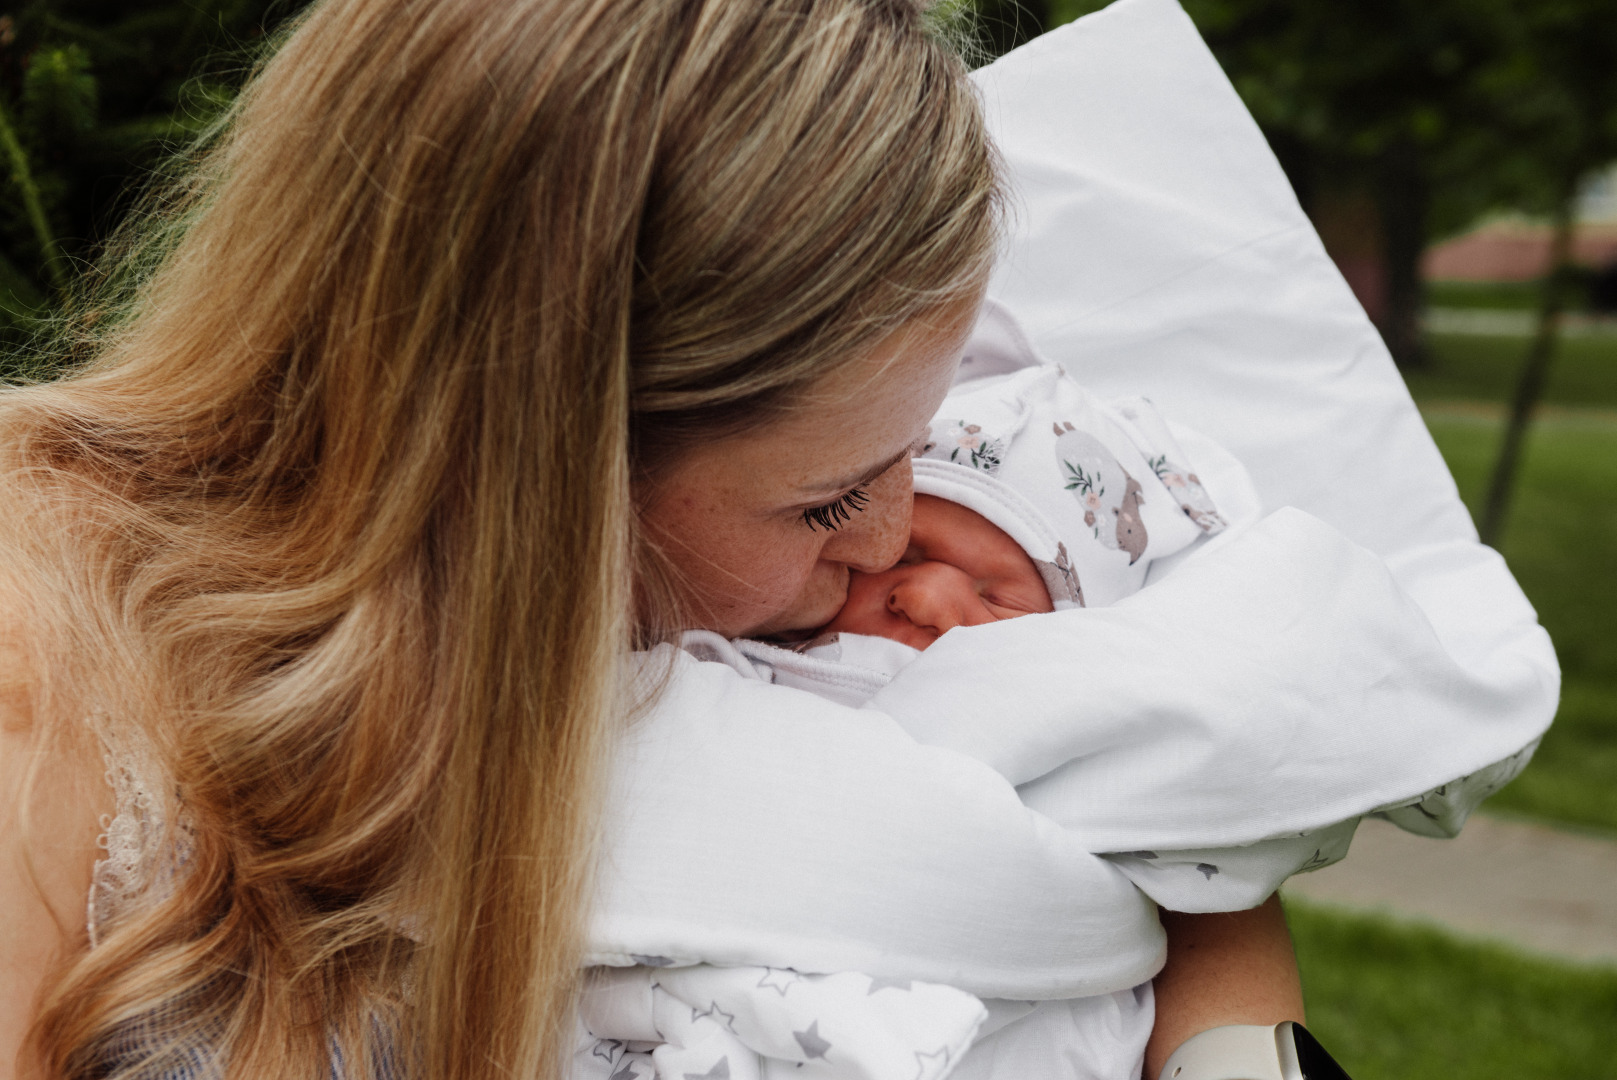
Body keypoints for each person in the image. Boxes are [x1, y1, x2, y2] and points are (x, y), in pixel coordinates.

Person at [0, 2, 1550, 1080]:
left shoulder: (742, 651)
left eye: (915, 453)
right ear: (521, 459)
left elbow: (1152, 870)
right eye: (822, 501)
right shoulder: (48, 674)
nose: (887, 546)